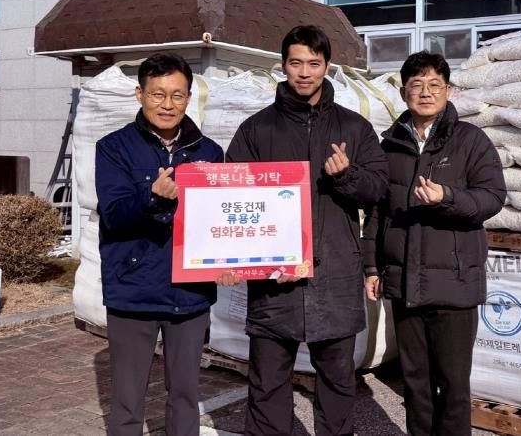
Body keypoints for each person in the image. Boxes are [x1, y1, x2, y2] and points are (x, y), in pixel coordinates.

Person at [225, 25, 389, 436]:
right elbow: (231, 199)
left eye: (314, 64)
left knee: (337, 385)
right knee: (267, 385)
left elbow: (379, 190)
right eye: (296, 63)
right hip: (274, 284)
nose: (304, 72)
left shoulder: (354, 128)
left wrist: (347, 176)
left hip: (334, 278)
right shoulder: (256, 130)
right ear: (283, 66)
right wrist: (247, 260)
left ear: (327, 66)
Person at [363, 50, 506, 436]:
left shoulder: (470, 141)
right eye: (416, 85)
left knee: (453, 387)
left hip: (453, 286)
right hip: (405, 285)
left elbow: (492, 198)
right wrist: (372, 267)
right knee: (416, 385)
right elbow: (377, 212)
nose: (425, 93)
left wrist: (447, 197)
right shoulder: (390, 146)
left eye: (434, 85)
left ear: (448, 90)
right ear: (403, 92)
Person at [95, 52, 224, 436]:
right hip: (134, 288)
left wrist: (228, 261)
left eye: (177, 95)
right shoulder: (113, 148)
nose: (167, 104)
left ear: (189, 97)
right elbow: (114, 214)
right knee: (127, 401)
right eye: (157, 94)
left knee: (185, 396)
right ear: (140, 95)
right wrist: (152, 197)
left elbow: (219, 219)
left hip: (191, 292)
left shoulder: (210, 152)